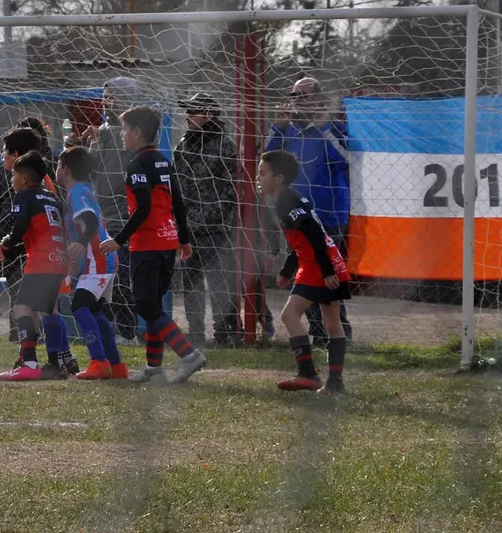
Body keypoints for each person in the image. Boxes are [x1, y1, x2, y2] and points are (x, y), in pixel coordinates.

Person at [100, 106, 206, 384]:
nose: (122, 134)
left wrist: (118, 240)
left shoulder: (137, 165)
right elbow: (178, 203)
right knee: (154, 305)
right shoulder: (162, 161)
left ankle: (188, 354)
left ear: (136, 132)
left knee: (146, 306)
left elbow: (143, 206)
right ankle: (153, 366)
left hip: (147, 245)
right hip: (167, 242)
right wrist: (183, 238)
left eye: (124, 129)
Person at [265, 77, 352, 344]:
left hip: (328, 217)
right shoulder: (288, 131)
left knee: (321, 278)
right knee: (317, 279)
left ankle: (329, 334)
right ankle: (332, 335)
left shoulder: (332, 128)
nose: (297, 100)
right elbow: (266, 163)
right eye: (293, 95)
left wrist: (324, 126)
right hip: (296, 217)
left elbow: (347, 159)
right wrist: (277, 129)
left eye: (303, 95)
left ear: (318, 100)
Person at [257, 150, 350, 394]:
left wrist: (326, 271)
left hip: (319, 266)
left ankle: (307, 373)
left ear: (278, 179)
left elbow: (314, 233)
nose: (258, 177)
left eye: (262, 173)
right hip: (326, 262)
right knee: (332, 324)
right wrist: (288, 271)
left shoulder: (286, 201)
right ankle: (335, 383)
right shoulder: (290, 199)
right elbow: (300, 241)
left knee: (289, 315)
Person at [0, 127, 78, 376]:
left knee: (24, 308)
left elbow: (22, 228)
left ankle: (32, 361)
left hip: (41, 259)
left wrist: (7, 242)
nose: (2, 158)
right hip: (57, 257)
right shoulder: (48, 192)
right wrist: (12, 251)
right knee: (48, 308)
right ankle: (61, 360)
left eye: (5, 153)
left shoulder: (27, 193)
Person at [70, 77, 143, 342]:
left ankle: (128, 331)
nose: (106, 101)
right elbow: (95, 170)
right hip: (103, 214)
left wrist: (107, 136)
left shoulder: (135, 130)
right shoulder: (101, 130)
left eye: (112, 95)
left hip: (125, 216)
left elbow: (127, 161)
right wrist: (78, 147)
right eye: (105, 95)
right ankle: (110, 327)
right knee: (105, 275)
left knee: (123, 277)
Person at [173, 92, 241, 345]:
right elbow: (177, 186)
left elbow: (229, 193)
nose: (187, 116)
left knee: (220, 284)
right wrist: (182, 223)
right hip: (188, 230)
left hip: (216, 231)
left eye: (193, 111)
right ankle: (196, 333)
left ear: (209, 115)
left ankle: (225, 334)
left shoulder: (225, 146)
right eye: (187, 111)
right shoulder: (183, 144)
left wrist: (203, 221)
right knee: (191, 285)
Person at [55, 146, 127, 380]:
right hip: (102, 260)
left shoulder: (76, 193)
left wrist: (81, 242)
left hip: (97, 259)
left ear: (65, 169)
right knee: (96, 312)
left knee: (79, 307)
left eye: (57, 165)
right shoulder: (80, 190)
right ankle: (116, 366)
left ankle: (99, 360)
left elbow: (90, 220)